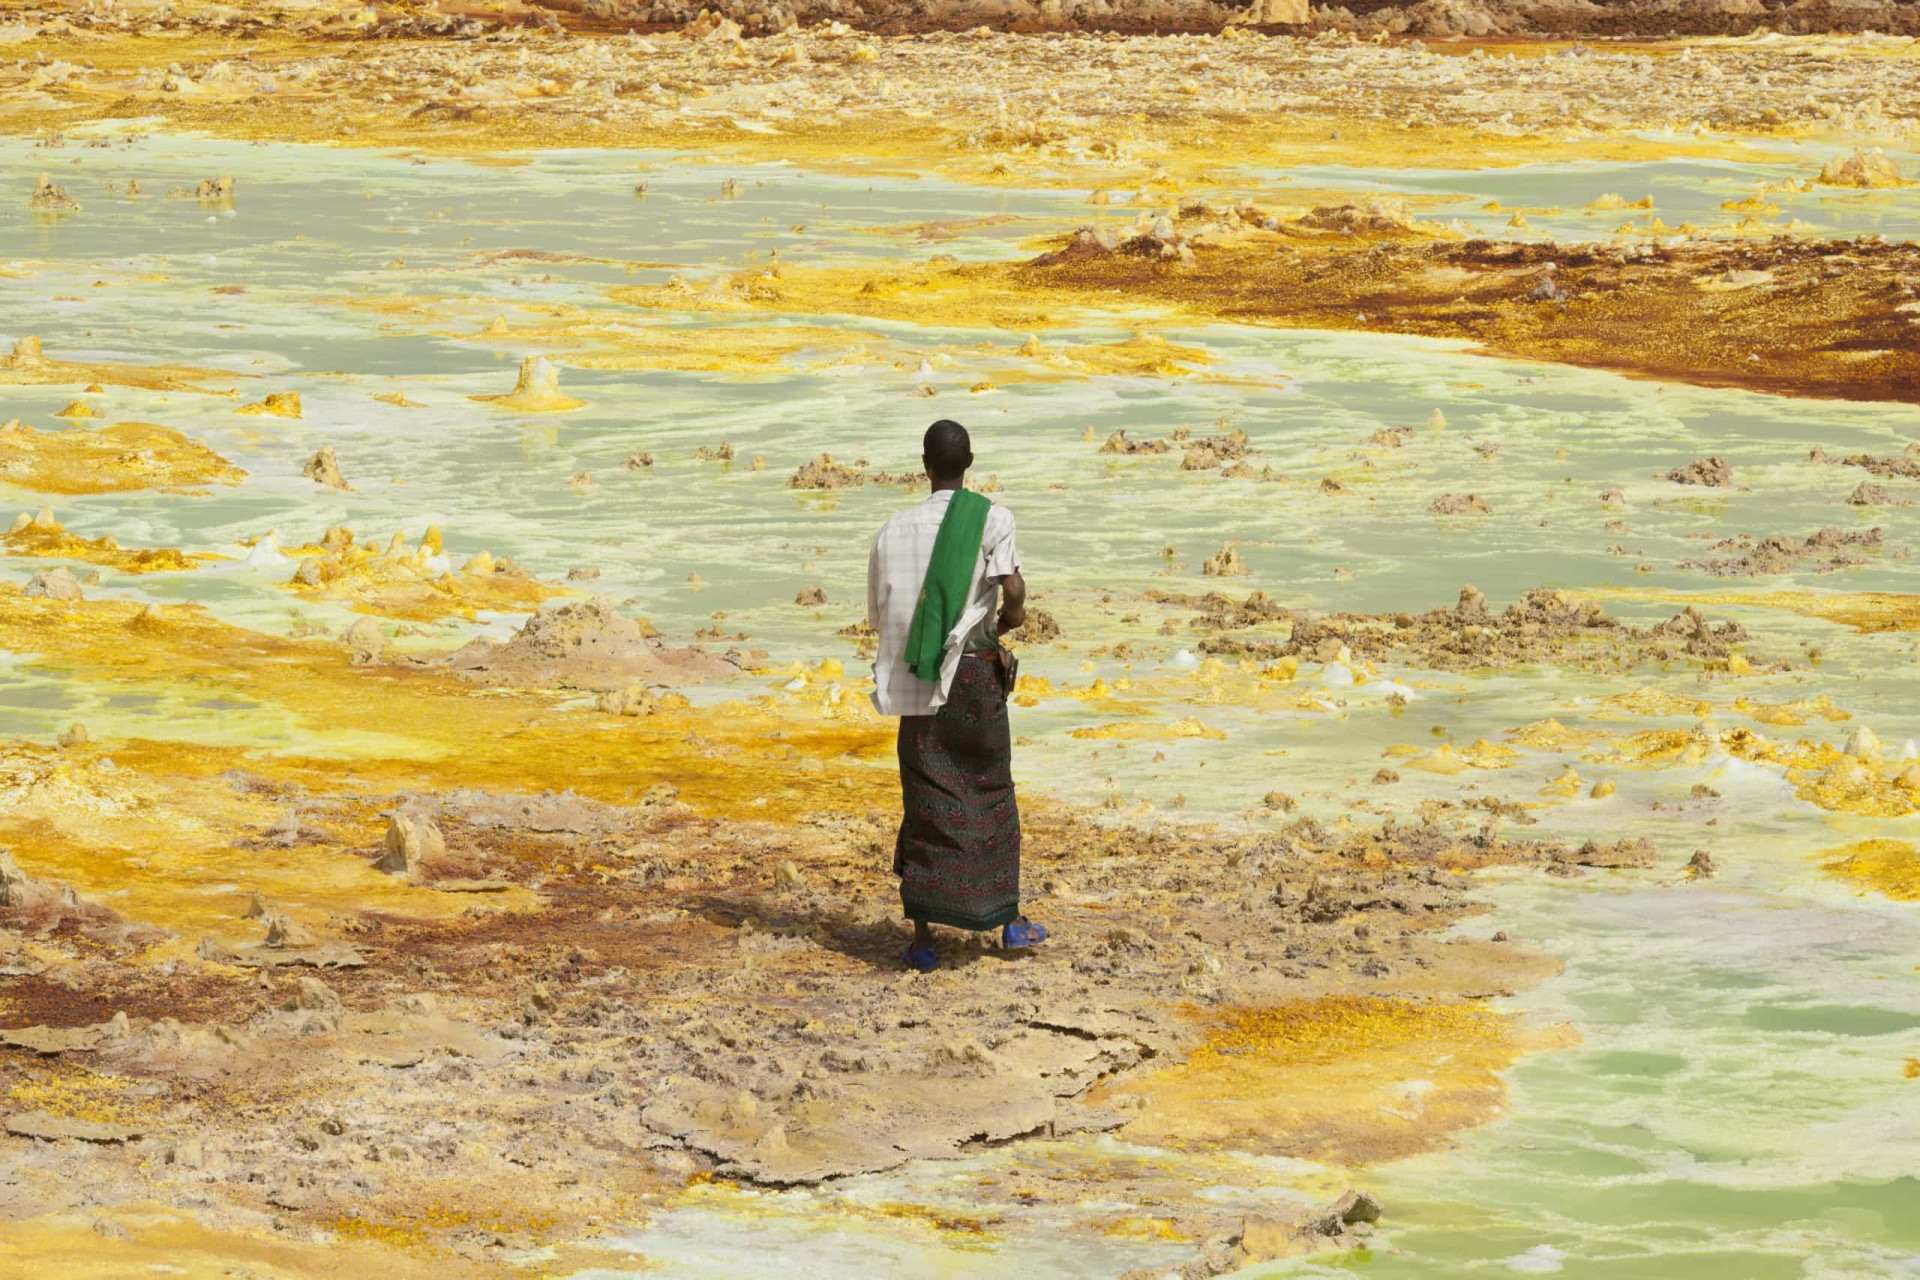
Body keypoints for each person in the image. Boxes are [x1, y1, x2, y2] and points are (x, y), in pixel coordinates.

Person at [867, 420, 1048, 972]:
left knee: (926, 797)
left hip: (919, 675)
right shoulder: (992, 518)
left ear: (925, 465)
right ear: (969, 463)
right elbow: (1012, 589)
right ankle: (1007, 924)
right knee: (990, 790)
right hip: (975, 677)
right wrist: (1012, 615)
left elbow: (879, 616)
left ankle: (923, 938)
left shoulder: (891, 531)